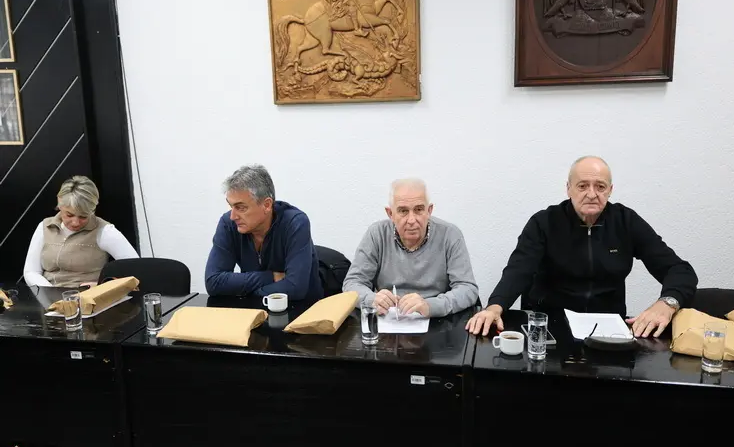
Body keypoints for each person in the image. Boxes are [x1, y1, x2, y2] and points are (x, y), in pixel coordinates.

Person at [466, 156, 698, 338]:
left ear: (610, 190)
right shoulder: (544, 223)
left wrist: (667, 303)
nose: (591, 194)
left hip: (607, 331)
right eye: (582, 186)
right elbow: (518, 271)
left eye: (600, 186)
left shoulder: (626, 222)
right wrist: (495, 307)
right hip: (550, 326)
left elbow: (679, 270)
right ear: (568, 189)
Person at [343, 178, 479, 318]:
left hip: (437, 320)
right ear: (390, 214)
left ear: (429, 210)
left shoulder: (449, 234)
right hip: (389, 319)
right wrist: (372, 299)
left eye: (419, 210)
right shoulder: (377, 234)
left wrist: (430, 306)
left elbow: (468, 289)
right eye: (403, 211)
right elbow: (352, 284)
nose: (412, 220)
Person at [205, 164, 323, 301]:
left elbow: (295, 289)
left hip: (302, 309)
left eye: (241, 207)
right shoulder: (229, 224)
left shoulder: (295, 223)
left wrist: (248, 292)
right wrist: (270, 277)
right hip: (254, 310)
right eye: (231, 206)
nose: (233, 216)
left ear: (267, 205)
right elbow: (213, 282)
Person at [23, 175, 139, 288]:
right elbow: (31, 271)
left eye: (83, 216)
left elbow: (136, 269)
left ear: (92, 210)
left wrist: (102, 285)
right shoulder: (45, 227)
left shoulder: (105, 231)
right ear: (59, 203)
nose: (75, 222)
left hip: (87, 297)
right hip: (47, 296)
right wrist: (50, 293)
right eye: (69, 215)